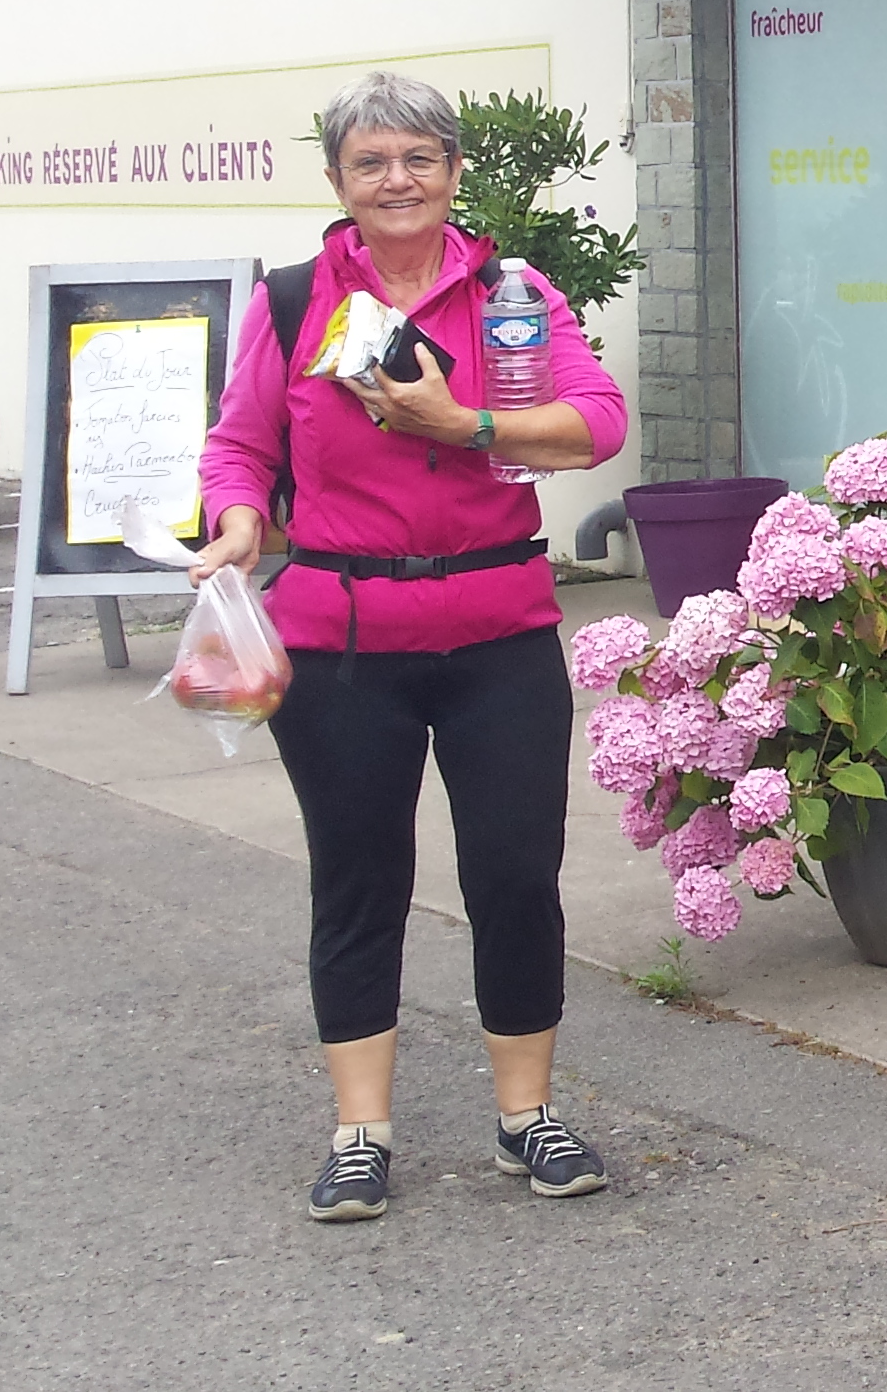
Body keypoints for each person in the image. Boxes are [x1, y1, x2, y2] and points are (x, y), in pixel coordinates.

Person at [194, 73, 626, 1224]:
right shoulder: (294, 302)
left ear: (453, 171)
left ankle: (527, 1117)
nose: (398, 180)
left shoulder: (513, 297)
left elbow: (597, 422)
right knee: (359, 877)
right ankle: (360, 1134)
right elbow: (239, 447)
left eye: (420, 158)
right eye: (372, 162)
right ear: (338, 180)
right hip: (342, 643)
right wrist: (237, 522)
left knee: (516, 878)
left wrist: (463, 424)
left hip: (501, 634)